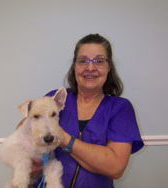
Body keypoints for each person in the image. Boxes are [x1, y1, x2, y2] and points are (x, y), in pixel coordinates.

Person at [33, 33, 144, 188]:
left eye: (99, 61)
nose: (90, 68)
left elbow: (115, 167)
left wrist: (63, 138)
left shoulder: (120, 108)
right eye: (83, 61)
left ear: (109, 67)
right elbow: (24, 130)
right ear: (75, 66)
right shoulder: (55, 98)